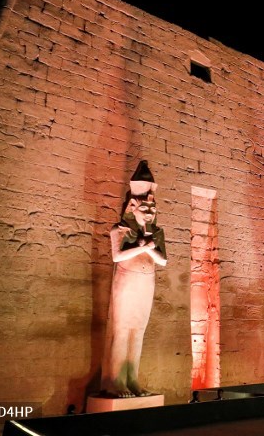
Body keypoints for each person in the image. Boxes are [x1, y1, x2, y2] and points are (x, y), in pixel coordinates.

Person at [101, 161, 168, 398]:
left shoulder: (156, 233)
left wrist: (148, 247)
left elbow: (162, 261)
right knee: (122, 330)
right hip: (127, 281)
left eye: (152, 209)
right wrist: (142, 247)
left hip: (146, 281)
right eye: (145, 208)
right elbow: (117, 256)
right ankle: (116, 381)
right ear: (132, 206)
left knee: (139, 331)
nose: (149, 212)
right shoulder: (120, 230)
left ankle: (133, 379)